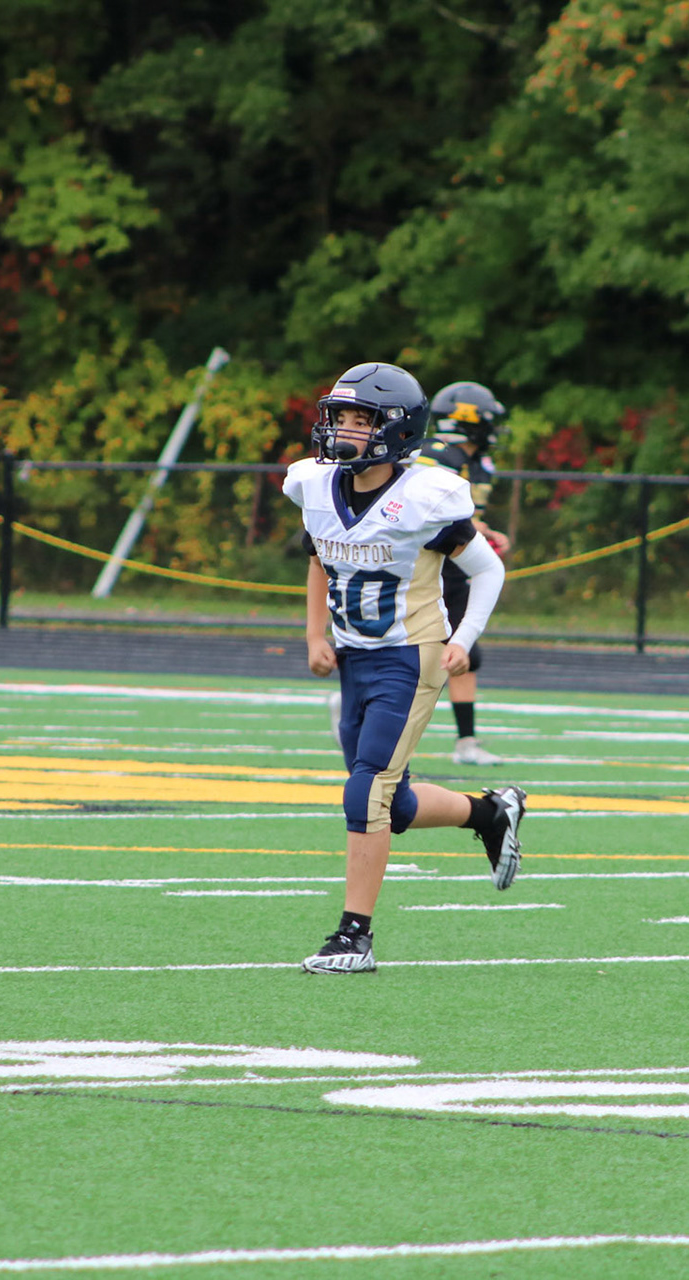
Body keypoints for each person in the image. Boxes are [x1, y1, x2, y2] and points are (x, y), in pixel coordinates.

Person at [287, 361, 527, 975]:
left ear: (395, 429)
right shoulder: (315, 484)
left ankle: (354, 936)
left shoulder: (424, 495)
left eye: (360, 420)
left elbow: (487, 569)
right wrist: (314, 634)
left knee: (366, 790)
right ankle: (490, 812)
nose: (343, 430)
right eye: (339, 417)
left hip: (409, 654)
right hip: (353, 657)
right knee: (390, 806)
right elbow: (318, 559)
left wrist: (463, 639)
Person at [412, 381, 512, 766]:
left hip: (454, 568)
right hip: (426, 567)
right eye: (488, 421)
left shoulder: (478, 463)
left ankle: (466, 742)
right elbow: (425, 507)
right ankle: (360, 703)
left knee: (463, 650)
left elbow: (466, 522)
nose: (493, 429)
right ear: (469, 421)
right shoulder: (435, 455)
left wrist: (485, 535)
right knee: (434, 649)